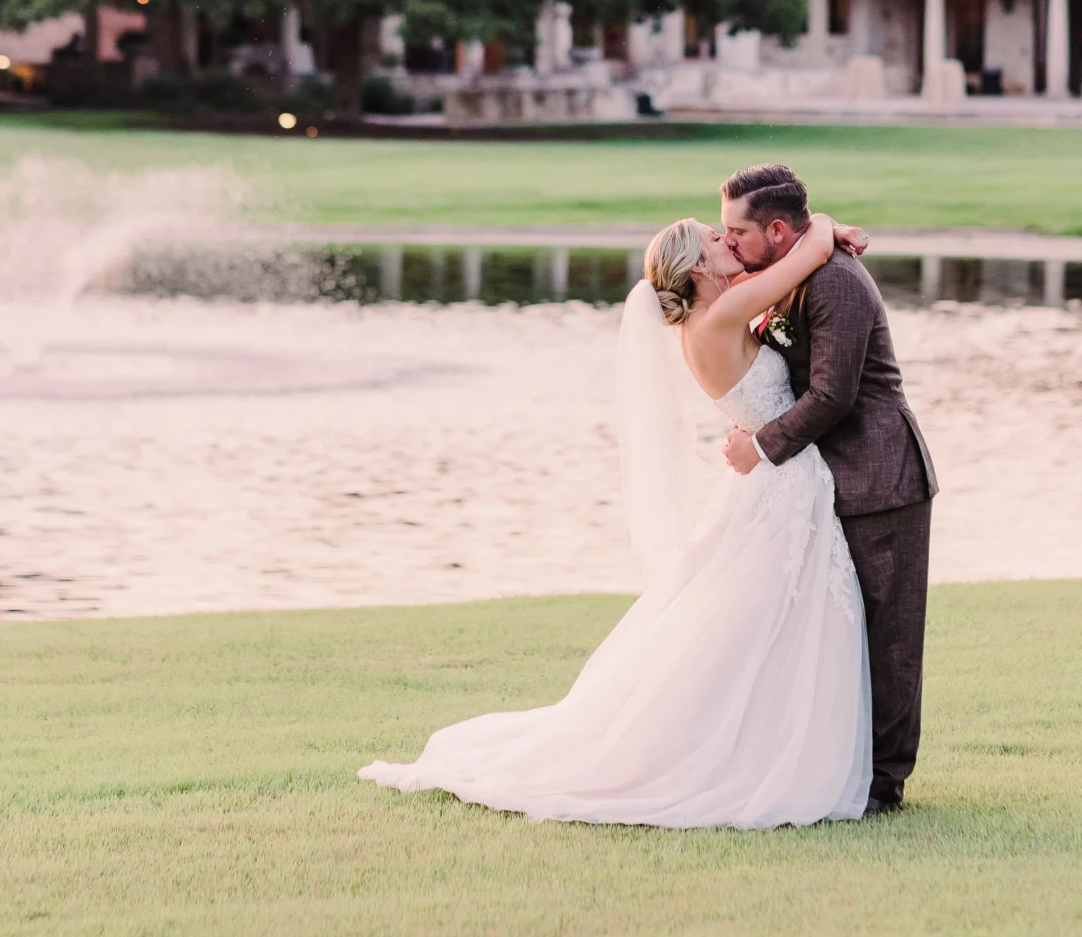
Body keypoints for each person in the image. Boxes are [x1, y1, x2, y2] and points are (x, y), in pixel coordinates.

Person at [359, 209, 874, 828]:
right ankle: (741, 756)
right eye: (716, 238)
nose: (727, 238)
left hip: (778, 485)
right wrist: (823, 223)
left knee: (762, 628)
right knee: (759, 627)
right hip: (779, 487)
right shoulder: (722, 317)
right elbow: (809, 251)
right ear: (698, 267)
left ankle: (767, 744)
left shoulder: (716, 315)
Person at [717, 163, 937, 814]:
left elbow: (833, 395)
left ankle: (883, 786)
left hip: (882, 477)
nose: (728, 243)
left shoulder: (836, 280)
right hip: (831, 482)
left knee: (889, 638)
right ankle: (838, 768)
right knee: (841, 635)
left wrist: (760, 448)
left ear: (778, 231)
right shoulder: (789, 272)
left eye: (736, 232)